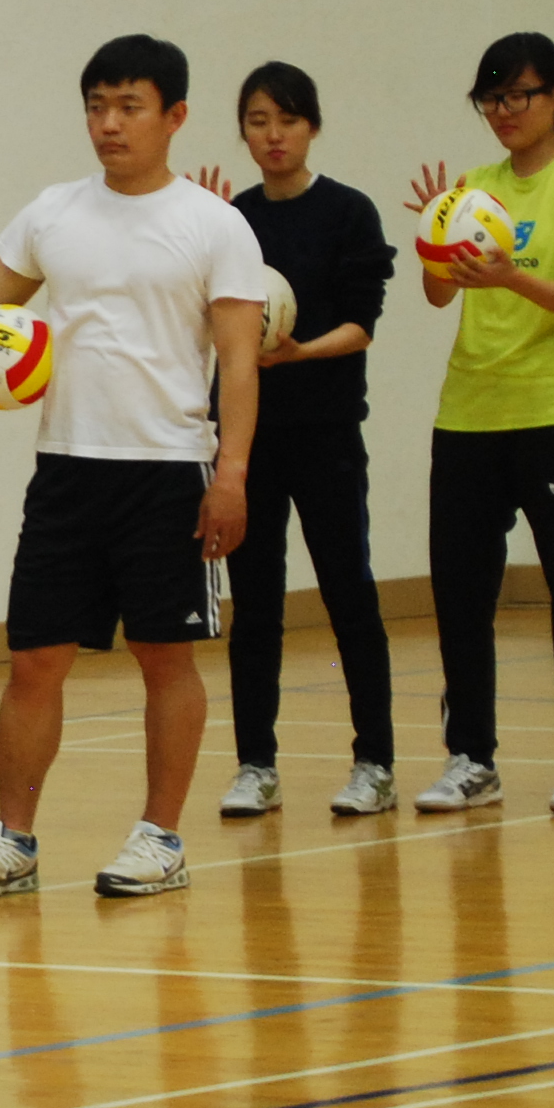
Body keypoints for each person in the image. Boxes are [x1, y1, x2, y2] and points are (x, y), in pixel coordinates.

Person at [0, 33, 266, 900]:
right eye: (97, 107)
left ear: (174, 116)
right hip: (67, 469)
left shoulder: (215, 226)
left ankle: (160, 837)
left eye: (129, 107)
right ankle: (13, 841)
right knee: (35, 660)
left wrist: (231, 475)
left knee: (164, 658)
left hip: (167, 471)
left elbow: (239, 362)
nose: (109, 123)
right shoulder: (52, 214)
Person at [407, 30, 554, 816]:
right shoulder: (475, 186)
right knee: (461, 594)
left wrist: (507, 274)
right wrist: (436, 242)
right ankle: (471, 758)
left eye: (517, 96)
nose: (503, 111)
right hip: (468, 413)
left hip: (553, 411)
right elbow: (439, 296)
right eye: (490, 99)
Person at [188, 63, 397, 817]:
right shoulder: (230, 220)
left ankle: (375, 762)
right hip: (249, 441)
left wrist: (300, 352)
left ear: (312, 126)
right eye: (257, 121)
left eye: (287, 119)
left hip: (327, 434)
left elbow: (362, 323)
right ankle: (256, 765)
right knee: (256, 604)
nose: (273, 135)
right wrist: (195, 239)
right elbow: (201, 320)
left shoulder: (348, 212)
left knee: (349, 593)